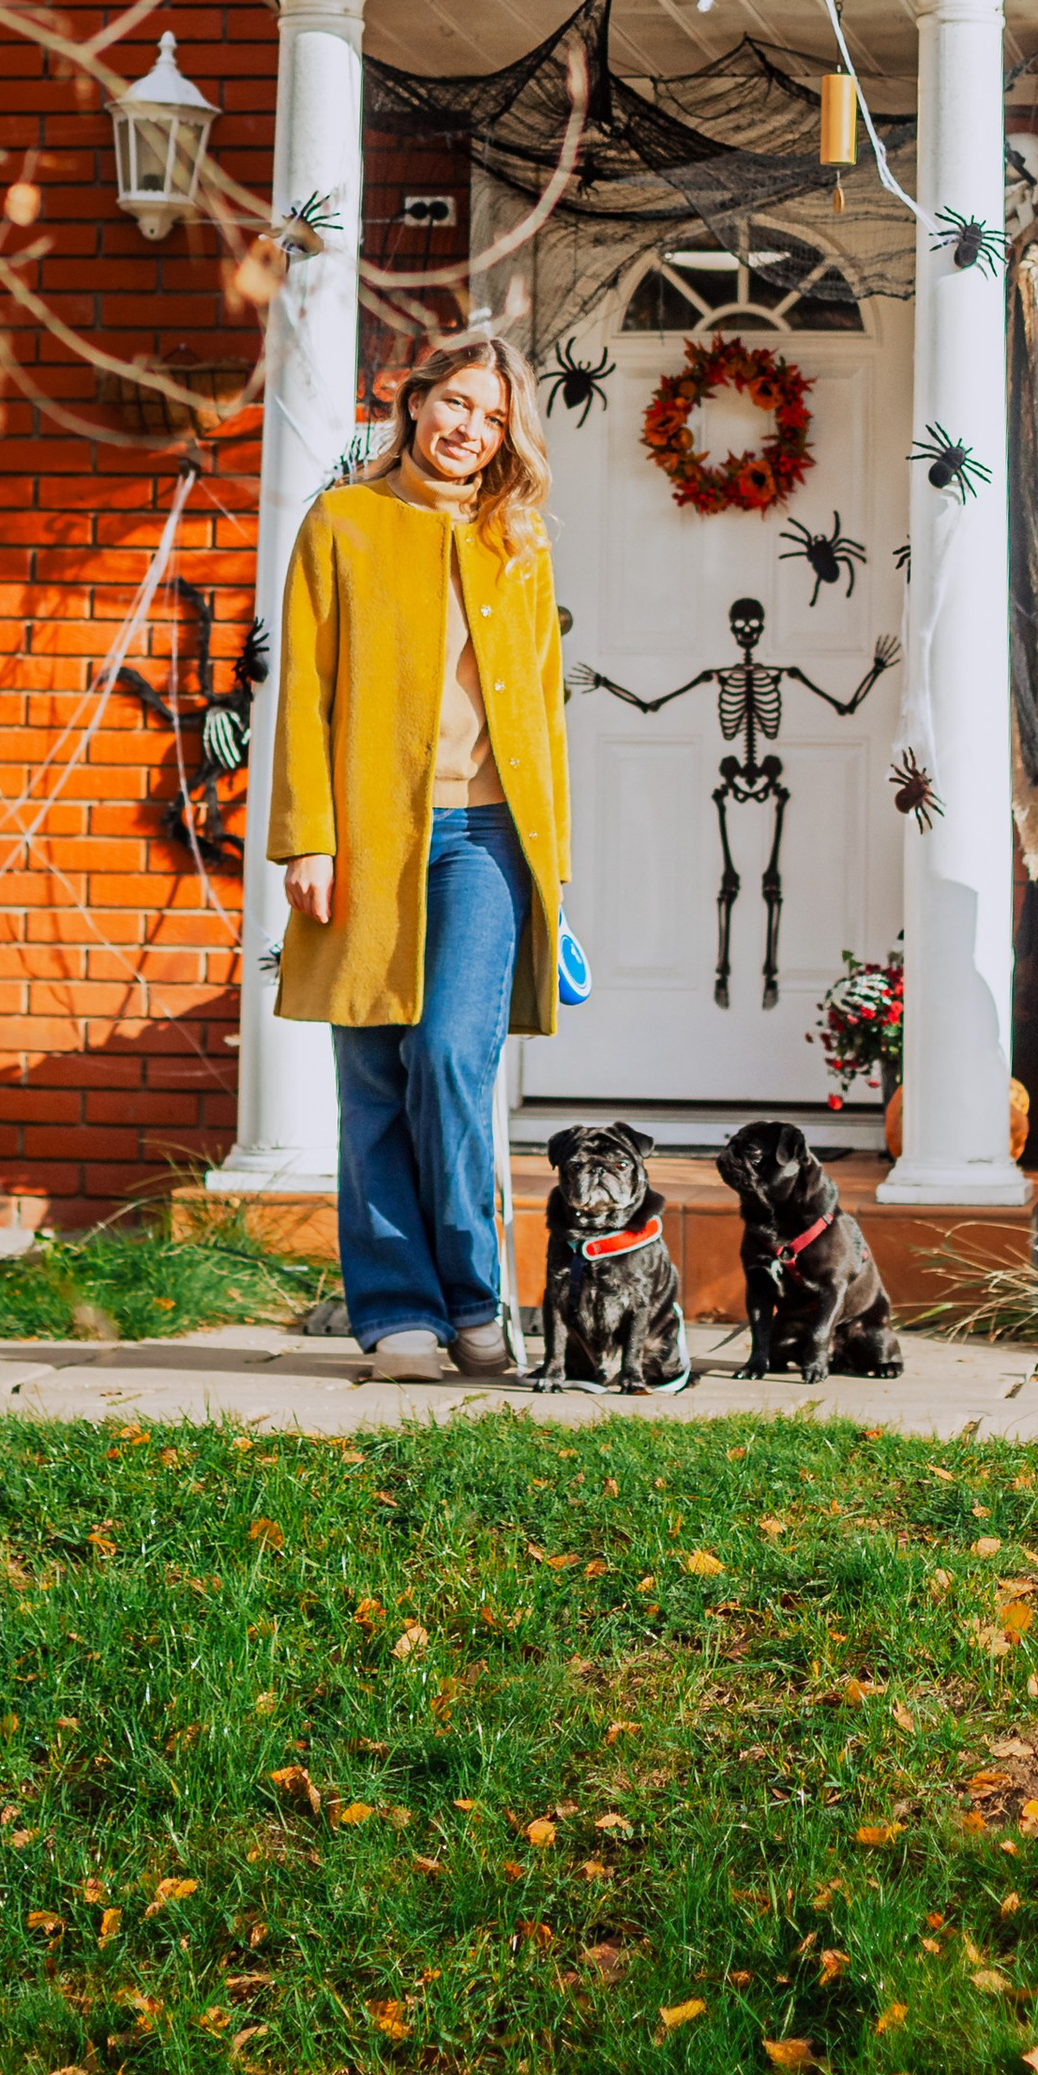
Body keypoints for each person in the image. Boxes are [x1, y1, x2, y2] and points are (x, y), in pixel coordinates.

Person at [267, 329, 570, 1380]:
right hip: (366, 838)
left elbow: (542, 714)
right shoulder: (342, 522)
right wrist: (306, 834)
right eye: (458, 405)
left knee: (449, 1058)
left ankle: (475, 1297)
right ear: (415, 398)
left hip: (485, 838)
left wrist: (552, 862)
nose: (469, 432)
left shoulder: (514, 540)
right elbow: (301, 689)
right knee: (372, 1078)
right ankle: (398, 1313)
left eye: (493, 420)